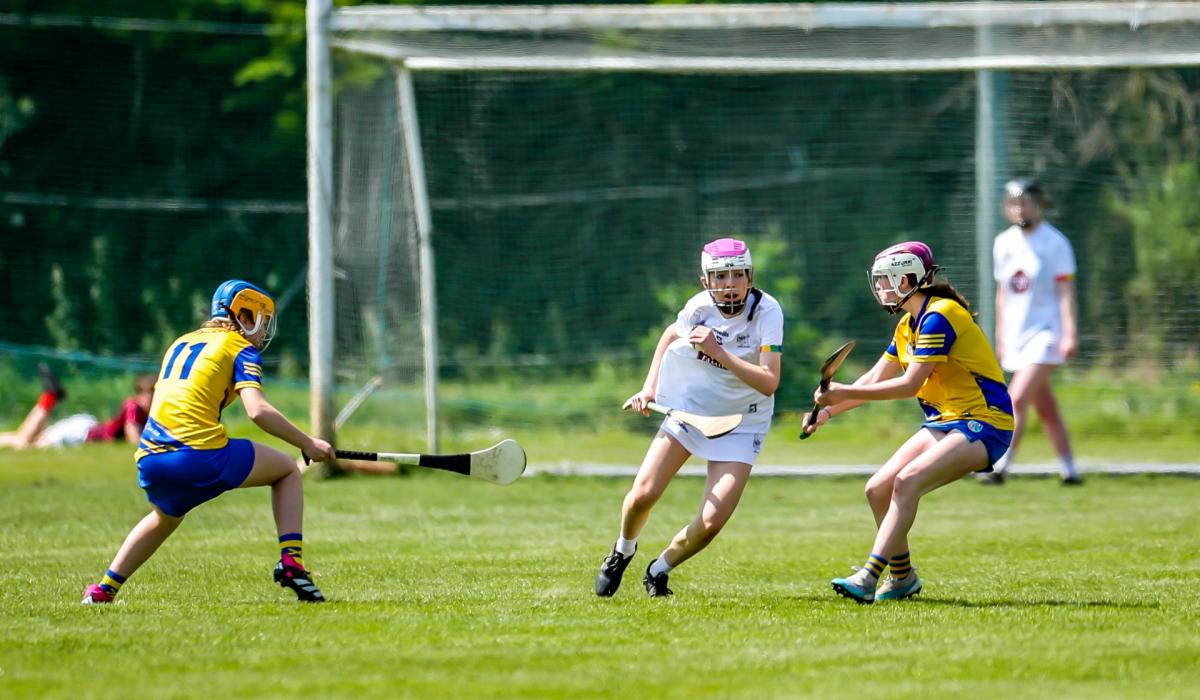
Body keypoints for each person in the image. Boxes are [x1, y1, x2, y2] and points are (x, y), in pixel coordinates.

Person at [81, 280, 335, 604]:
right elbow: (257, 411)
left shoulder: (181, 342)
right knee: (286, 470)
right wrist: (308, 442)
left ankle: (104, 589)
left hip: (150, 458)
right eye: (261, 320)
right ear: (244, 316)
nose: (263, 332)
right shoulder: (239, 348)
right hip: (197, 454)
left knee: (165, 517)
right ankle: (292, 563)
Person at [804, 241, 1013, 604]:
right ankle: (902, 578)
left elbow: (908, 385)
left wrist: (840, 393)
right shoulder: (907, 324)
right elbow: (871, 379)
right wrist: (826, 412)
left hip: (985, 422)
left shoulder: (940, 315)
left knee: (906, 481)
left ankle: (869, 576)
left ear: (909, 280)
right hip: (945, 422)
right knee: (877, 489)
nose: (881, 288)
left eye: (887, 280)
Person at [594, 238, 783, 598]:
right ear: (705, 281)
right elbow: (670, 334)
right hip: (691, 408)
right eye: (720, 277)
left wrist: (718, 351)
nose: (729, 285)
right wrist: (650, 388)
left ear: (750, 276)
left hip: (743, 422)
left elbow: (769, 382)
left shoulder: (768, 312)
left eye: (737, 275)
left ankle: (659, 568)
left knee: (712, 523)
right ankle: (622, 551)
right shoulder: (698, 308)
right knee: (641, 496)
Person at [978, 179, 1081, 486]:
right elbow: (1003, 295)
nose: (1020, 208)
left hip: (1047, 334)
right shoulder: (1003, 243)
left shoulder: (1055, 243)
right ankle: (1070, 470)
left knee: (1016, 398)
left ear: (1039, 204)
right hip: (1016, 338)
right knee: (1045, 407)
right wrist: (1000, 337)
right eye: (1014, 203)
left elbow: (1065, 292)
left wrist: (1070, 333)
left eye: (1025, 202)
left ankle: (1000, 466)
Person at [0, 366, 154, 450]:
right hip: (80, 434)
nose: (154, 400)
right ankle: (50, 396)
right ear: (141, 395)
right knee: (24, 444)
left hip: (83, 429)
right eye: (151, 395)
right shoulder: (134, 407)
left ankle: (50, 397)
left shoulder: (144, 412)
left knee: (25, 440)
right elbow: (133, 438)